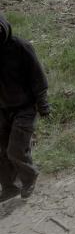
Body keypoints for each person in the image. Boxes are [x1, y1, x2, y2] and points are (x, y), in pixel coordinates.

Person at [0, 12, 50, 201]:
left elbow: (38, 77)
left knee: (16, 149)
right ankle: (9, 187)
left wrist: (43, 104)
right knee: (2, 151)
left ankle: (29, 178)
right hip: (2, 108)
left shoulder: (21, 47)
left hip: (25, 107)